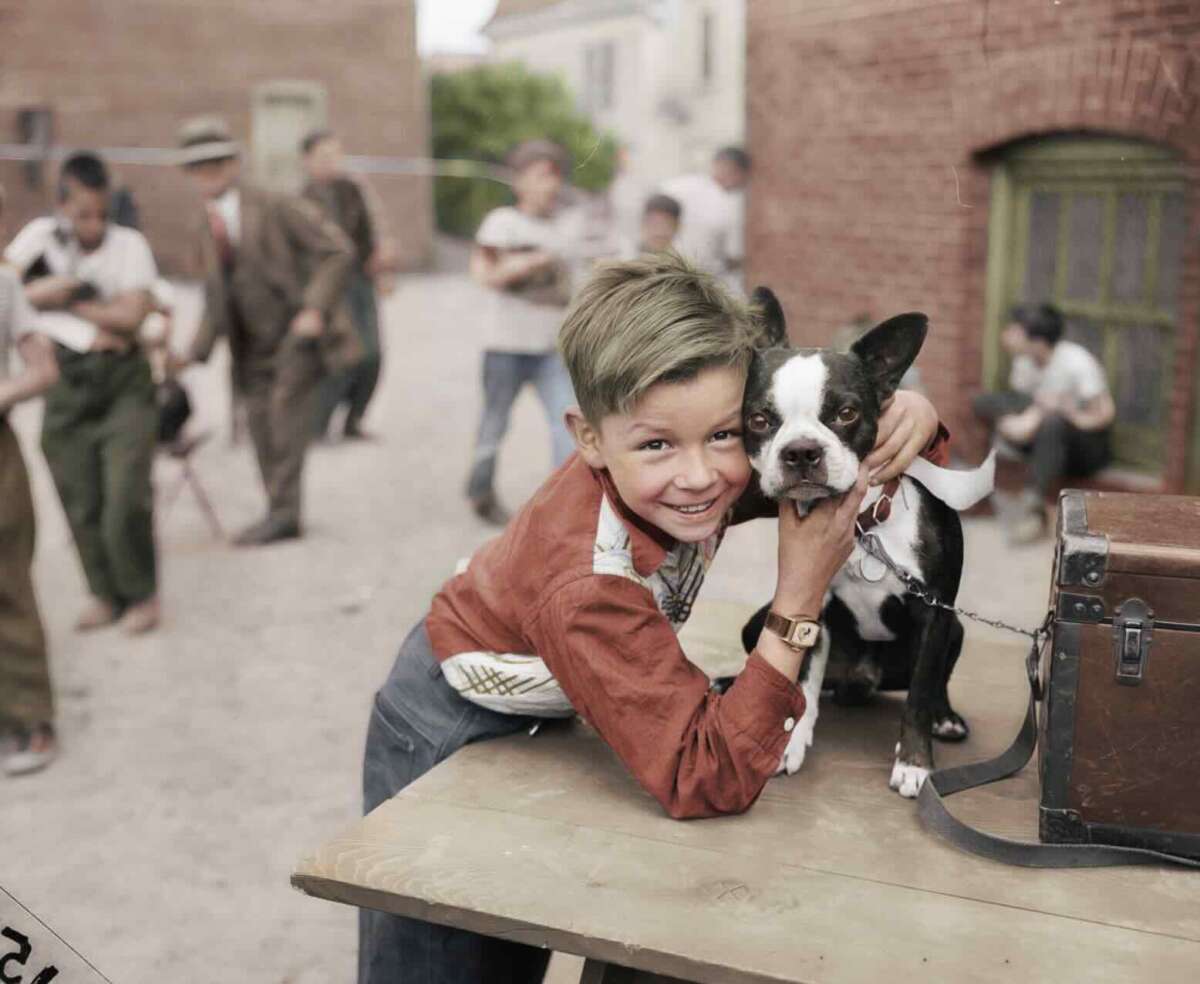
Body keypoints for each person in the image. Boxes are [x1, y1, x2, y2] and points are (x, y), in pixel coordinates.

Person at [358, 252, 946, 983]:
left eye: (727, 435)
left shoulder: (672, 479)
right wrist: (796, 600)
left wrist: (911, 416)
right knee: (462, 956)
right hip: (448, 730)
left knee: (532, 910)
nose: (702, 476)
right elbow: (709, 778)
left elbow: (811, 454)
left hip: (559, 705)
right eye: (659, 443)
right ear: (590, 439)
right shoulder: (585, 582)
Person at [172, 116, 360, 546]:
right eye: (198, 167)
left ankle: (285, 515)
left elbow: (337, 252)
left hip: (294, 339)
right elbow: (214, 300)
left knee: (285, 423)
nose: (209, 175)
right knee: (259, 427)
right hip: (248, 347)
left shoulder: (275, 204)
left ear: (234, 164)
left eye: (216, 164)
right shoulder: (204, 224)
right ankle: (277, 510)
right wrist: (193, 352)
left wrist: (314, 310)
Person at [5, 152, 163, 634]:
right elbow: (5, 295)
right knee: (79, 496)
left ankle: (141, 594)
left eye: (101, 213)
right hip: (67, 384)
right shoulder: (35, 240)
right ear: (61, 205)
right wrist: (52, 296)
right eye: (82, 215)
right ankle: (103, 592)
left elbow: (131, 317)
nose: (93, 226)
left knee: (124, 498)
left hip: (123, 382)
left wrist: (69, 298)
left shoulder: (129, 245)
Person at [465, 138, 582, 526]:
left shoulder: (565, 228)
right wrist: (536, 259)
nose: (548, 185)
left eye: (553, 176)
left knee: (565, 421)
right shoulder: (503, 223)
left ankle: (562, 504)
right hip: (505, 345)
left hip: (550, 348)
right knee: (495, 422)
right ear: (520, 182)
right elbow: (486, 274)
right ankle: (480, 490)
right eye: (538, 176)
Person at [0, 184, 61, 775]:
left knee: (7, 583)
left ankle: (30, 719)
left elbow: (42, 368)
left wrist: (3, 392)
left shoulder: (5, 285)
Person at [973, 302, 1114, 544]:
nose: (1006, 335)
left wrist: (1061, 412)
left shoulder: (1076, 363)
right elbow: (1023, 402)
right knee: (985, 401)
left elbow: (1103, 416)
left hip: (1083, 448)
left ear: (1036, 341)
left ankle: (1033, 504)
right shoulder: (1023, 362)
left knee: (1053, 422)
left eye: (1015, 331)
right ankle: (984, 483)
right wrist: (1020, 419)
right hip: (1039, 437)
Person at [301, 129, 389, 442]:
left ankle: (354, 418)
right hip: (327, 287)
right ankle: (317, 424)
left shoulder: (353, 190)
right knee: (342, 355)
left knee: (374, 353)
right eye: (325, 156)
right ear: (307, 160)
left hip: (359, 281)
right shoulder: (301, 199)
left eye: (337, 155)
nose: (333, 162)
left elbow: (371, 232)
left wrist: (379, 267)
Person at [660, 146, 749, 288]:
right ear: (739, 173)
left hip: (666, 273)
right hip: (705, 282)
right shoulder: (729, 204)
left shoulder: (676, 185)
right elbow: (734, 254)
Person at [618, 193, 682, 258]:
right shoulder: (622, 260)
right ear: (643, 223)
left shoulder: (685, 265)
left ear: (677, 226)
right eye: (655, 224)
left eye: (667, 225)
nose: (659, 232)